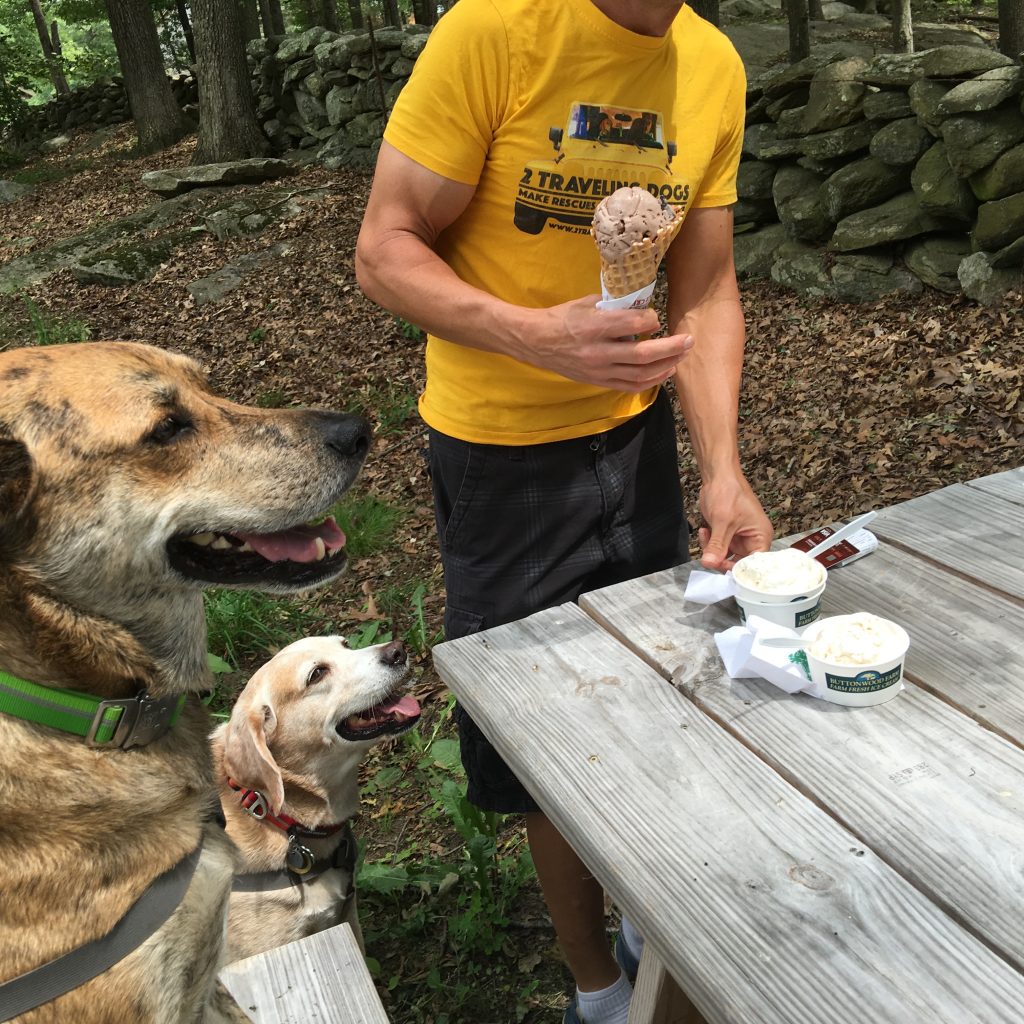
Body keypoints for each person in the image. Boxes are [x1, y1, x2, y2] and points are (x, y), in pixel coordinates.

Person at [355, 1, 773, 1021]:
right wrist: (525, 335)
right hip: (499, 457)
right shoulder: (496, 30)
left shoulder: (711, 64)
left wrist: (721, 466)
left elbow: (706, 287)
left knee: (651, 701)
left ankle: (643, 908)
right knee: (544, 750)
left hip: (635, 455)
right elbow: (384, 248)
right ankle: (593, 978)